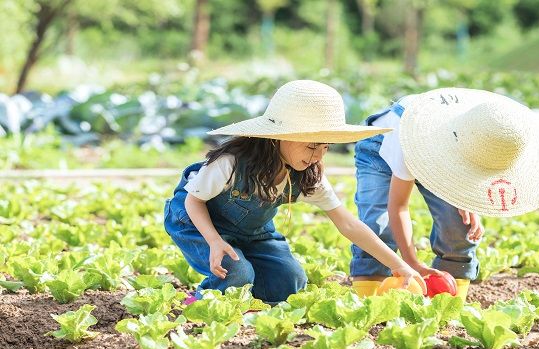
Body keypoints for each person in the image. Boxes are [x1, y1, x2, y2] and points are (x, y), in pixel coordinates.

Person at [163, 80, 426, 305]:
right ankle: (201, 301)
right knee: (236, 273)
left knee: (291, 281)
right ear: (279, 136)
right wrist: (213, 241)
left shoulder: (308, 175)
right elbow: (193, 200)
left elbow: (348, 223)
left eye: (325, 147)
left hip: (253, 234)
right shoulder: (230, 163)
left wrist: (398, 265)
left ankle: (244, 298)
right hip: (197, 223)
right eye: (312, 146)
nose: (318, 156)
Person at [350, 88, 539, 298]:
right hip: (382, 145)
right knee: (377, 226)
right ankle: (370, 296)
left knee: (461, 224)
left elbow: (468, 169)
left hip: (454, 146)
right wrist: (411, 263)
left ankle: (447, 298)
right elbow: (398, 206)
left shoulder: (487, 135)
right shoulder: (413, 141)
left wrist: (465, 199)